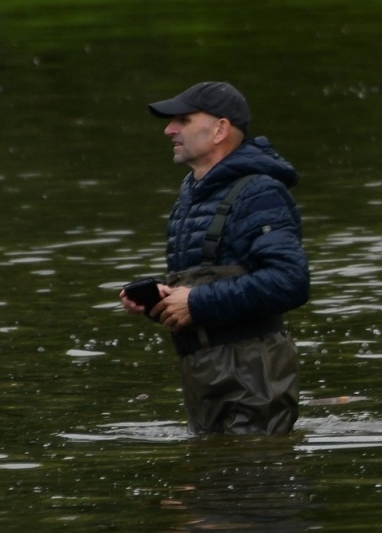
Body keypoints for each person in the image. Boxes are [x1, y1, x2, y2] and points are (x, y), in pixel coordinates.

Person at [119, 81, 310, 435]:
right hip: (203, 370)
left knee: (253, 480)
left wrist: (197, 301)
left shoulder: (260, 193)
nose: (169, 130)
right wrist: (161, 303)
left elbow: (289, 281)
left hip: (252, 373)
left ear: (221, 129)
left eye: (183, 120)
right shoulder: (191, 196)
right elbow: (203, 293)